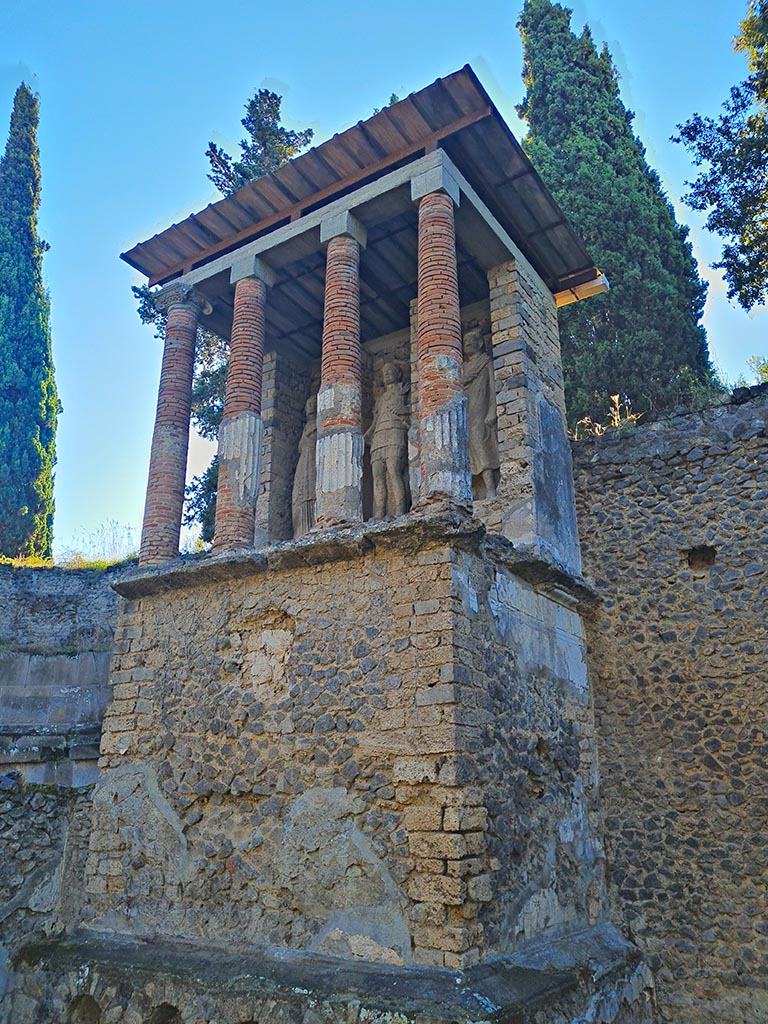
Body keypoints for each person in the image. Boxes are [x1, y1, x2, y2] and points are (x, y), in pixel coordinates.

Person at [364, 363, 410, 520]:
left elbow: (416, 409)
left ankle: (399, 510)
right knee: (378, 474)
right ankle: (380, 512)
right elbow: (376, 421)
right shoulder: (381, 398)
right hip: (379, 436)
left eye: (391, 371)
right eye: (385, 373)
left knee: (393, 470)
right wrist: (367, 434)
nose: (387, 375)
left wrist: (404, 410)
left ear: (399, 374)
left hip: (395, 432)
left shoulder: (404, 389)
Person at [463, 327, 499, 499]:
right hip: (465, 409)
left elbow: (492, 387)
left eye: (471, 340)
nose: (468, 344)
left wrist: (493, 410)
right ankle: (469, 491)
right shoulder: (463, 367)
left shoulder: (485, 362)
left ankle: (490, 488)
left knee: (480, 444)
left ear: (480, 343)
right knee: (464, 448)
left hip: (481, 408)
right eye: (465, 342)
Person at [292, 394, 318, 537]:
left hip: (314, 463)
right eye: (308, 405)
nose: (309, 407)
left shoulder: (320, 424)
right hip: (304, 463)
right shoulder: (306, 427)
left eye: (312, 404)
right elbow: (300, 448)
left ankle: (316, 524)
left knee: (313, 493)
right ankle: (301, 532)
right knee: (300, 495)